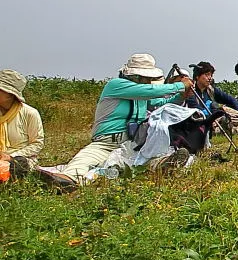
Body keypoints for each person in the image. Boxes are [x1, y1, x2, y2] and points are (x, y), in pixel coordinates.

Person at [50, 54, 194, 188]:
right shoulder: (116, 85)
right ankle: (69, 179)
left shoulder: (142, 93)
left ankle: (162, 165)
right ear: (133, 75)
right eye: (143, 77)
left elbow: (160, 103)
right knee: (85, 161)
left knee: (136, 162)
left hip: (132, 142)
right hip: (106, 142)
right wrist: (180, 86)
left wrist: (181, 97)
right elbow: (149, 91)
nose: (147, 81)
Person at [184, 62, 238, 136]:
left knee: (227, 110)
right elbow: (198, 111)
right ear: (197, 76)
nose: (210, 78)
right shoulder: (191, 92)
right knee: (216, 110)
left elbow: (230, 99)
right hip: (204, 122)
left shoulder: (210, 90)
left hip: (217, 118)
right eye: (207, 75)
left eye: (211, 75)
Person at [0, 69, 44, 181]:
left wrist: (11, 156)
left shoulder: (30, 113)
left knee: (17, 166)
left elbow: (37, 144)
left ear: (10, 94)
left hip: (19, 159)